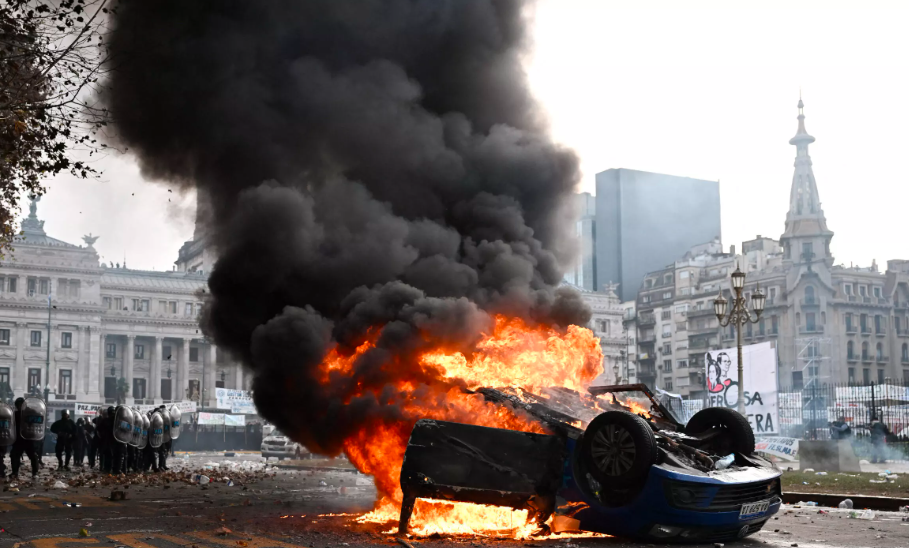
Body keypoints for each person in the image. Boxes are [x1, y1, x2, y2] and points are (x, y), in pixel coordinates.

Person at [10, 398, 39, 478]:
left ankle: (35, 472)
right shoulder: (15, 414)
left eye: (21, 404)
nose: (19, 406)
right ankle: (15, 472)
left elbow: (37, 422)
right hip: (18, 439)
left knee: (33, 455)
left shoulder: (31, 413)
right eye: (18, 405)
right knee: (15, 455)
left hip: (29, 438)